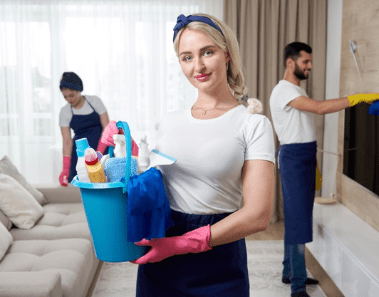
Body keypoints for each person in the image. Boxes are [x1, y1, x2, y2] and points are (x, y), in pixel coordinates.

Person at [102, 13, 275, 296]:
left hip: (218, 252)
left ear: (227, 54)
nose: (199, 66)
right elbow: (155, 177)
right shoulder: (170, 120)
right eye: (187, 57)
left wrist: (182, 244)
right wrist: (123, 145)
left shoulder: (253, 124)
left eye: (208, 52)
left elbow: (258, 215)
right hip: (161, 251)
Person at [269, 41, 379, 297]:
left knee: (300, 218)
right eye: (305, 61)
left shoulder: (296, 90)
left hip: (305, 157)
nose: (310, 66)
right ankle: (297, 287)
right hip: (295, 159)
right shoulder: (283, 90)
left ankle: (289, 272)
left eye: (310, 61)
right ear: (290, 62)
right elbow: (319, 108)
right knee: (298, 223)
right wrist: (355, 99)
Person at [58, 72, 109, 186]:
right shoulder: (65, 112)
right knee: (83, 184)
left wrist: (99, 153)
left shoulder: (95, 101)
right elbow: (67, 141)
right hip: (81, 154)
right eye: (65, 97)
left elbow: (107, 128)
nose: (69, 100)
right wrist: (65, 169)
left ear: (79, 90)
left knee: (105, 181)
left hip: (102, 147)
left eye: (71, 95)